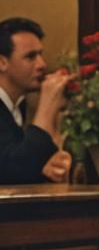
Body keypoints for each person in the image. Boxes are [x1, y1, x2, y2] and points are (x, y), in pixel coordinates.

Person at [0, 17, 72, 184]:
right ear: (2, 62)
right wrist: (47, 105)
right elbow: (17, 167)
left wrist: (47, 167)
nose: (42, 64)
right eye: (31, 57)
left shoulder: (18, 104)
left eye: (41, 54)